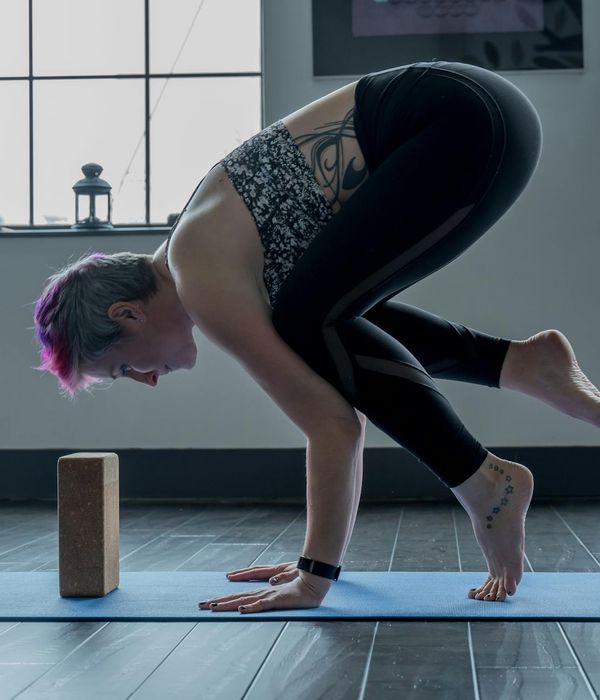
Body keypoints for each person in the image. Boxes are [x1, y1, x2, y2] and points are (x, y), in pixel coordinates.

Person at [33, 60, 599, 615]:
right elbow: (340, 406)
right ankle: (522, 365)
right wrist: (317, 563)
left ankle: (483, 482)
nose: (148, 380)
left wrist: (314, 576)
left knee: (307, 320)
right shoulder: (211, 251)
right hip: (475, 112)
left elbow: (332, 423)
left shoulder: (199, 272)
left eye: (123, 369)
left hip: (461, 121)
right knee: (314, 316)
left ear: (129, 314)